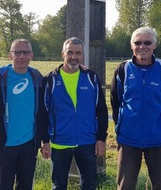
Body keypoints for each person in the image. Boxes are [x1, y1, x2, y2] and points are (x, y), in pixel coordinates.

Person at [44, 37, 108, 190]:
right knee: (59, 186)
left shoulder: (91, 77)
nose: (74, 57)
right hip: (60, 142)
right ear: (63, 54)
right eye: (70, 52)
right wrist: (45, 140)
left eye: (78, 53)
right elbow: (44, 112)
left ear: (82, 55)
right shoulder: (50, 79)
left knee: (89, 185)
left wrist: (101, 138)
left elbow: (101, 109)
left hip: (87, 141)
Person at [0, 39, 50, 190]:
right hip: (5, 145)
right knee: (4, 186)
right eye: (18, 52)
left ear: (31, 55)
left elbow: (43, 111)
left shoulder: (37, 77)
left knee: (26, 186)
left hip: (29, 144)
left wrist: (45, 140)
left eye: (26, 52)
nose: (22, 56)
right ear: (10, 55)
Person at [111, 26, 161, 189]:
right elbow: (116, 101)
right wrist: (120, 127)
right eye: (137, 42)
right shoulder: (122, 70)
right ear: (131, 45)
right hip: (129, 138)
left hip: (158, 138)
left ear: (155, 45)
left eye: (147, 42)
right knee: (125, 185)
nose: (142, 46)